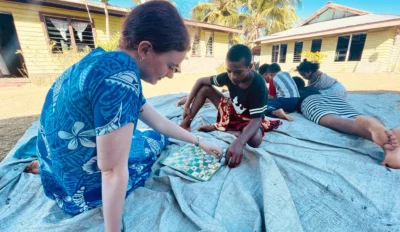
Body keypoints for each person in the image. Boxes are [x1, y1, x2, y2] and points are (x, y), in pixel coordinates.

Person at [23, 2, 223, 231]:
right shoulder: (123, 78)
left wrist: (200, 142)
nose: (169, 75)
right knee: (151, 141)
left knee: (147, 132)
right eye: (171, 66)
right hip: (79, 188)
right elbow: (111, 171)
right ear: (145, 49)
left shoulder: (99, 60)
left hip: (55, 176)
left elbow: (158, 120)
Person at [179, 44, 282, 168]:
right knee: (205, 89)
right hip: (232, 110)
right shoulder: (228, 76)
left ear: (250, 67)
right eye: (229, 71)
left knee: (255, 140)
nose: (233, 77)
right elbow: (200, 81)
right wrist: (187, 105)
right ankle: (185, 125)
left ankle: (233, 131)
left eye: (238, 72)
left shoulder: (258, 84)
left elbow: (256, 119)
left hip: (249, 119)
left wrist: (239, 142)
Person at [292, 76, 400, 170]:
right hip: (333, 99)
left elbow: (287, 104)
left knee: (334, 120)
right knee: (355, 117)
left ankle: (377, 133)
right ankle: (381, 131)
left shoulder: (295, 93)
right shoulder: (313, 88)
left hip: (310, 102)